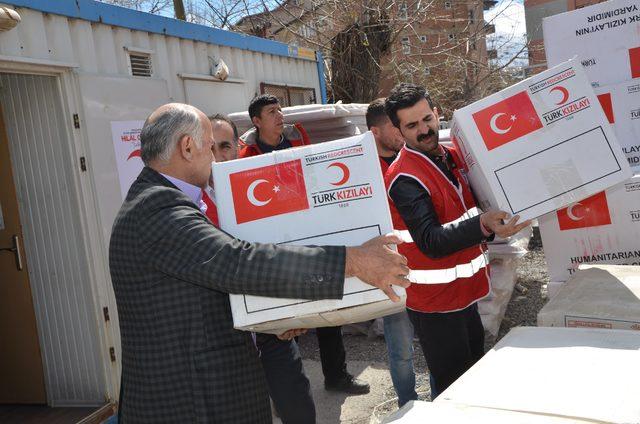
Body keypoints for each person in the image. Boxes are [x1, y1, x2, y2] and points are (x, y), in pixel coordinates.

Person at [109, 103, 410, 423]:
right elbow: (237, 262)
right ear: (187, 147)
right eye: (210, 146)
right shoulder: (159, 209)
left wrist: (274, 319)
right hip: (191, 402)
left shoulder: (161, 200)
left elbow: (205, 290)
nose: (215, 156)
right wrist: (354, 261)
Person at [383, 84, 531, 399]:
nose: (424, 130)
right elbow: (431, 241)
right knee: (454, 390)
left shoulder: (450, 157)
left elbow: (474, 204)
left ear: (437, 114)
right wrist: (482, 225)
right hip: (436, 305)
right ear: (398, 132)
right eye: (412, 125)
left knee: (473, 377)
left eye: (427, 119)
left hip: (465, 294)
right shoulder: (404, 178)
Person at [238, 94, 370, 395]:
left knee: (326, 311)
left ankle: (337, 377)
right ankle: (289, 388)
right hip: (279, 246)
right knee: (289, 319)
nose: (279, 115)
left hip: (312, 236)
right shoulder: (246, 155)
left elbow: (314, 178)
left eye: (280, 109)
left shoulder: (299, 139)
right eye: (271, 112)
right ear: (257, 121)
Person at [204, 113, 317, 424]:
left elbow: (283, 253)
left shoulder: (261, 192)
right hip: (229, 339)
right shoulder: (191, 208)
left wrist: (294, 312)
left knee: (299, 411)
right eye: (209, 147)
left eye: (225, 146)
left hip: (274, 332)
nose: (217, 156)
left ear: (237, 148)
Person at [366, 99, 418, 407]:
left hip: (426, 267)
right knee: (400, 349)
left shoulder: (412, 160)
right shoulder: (363, 170)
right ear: (375, 131)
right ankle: (408, 405)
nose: (399, 130)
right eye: (392, 125)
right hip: (391, 270)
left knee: (437, 342)